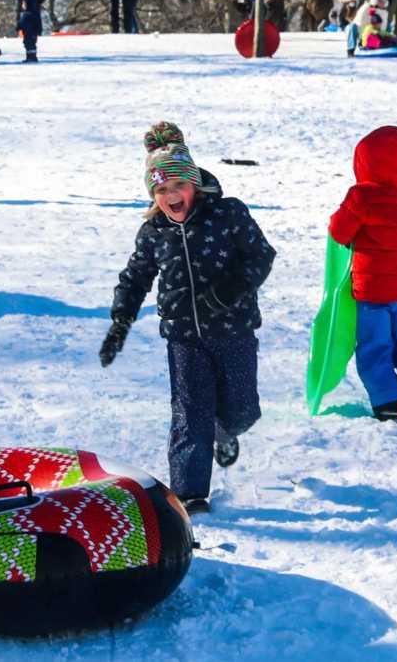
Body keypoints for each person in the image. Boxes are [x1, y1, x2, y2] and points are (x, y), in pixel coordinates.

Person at [99, 141, 276, 515]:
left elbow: (261, 254)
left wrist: (228, 291)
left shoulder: (228, 214)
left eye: (177, 185)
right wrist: (121, 320)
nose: (170, 195)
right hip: (184, 338)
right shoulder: (153, 231)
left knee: (243, 410)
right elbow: (135, 278)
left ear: (194, 185)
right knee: (190, 414)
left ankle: (224, 432)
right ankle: (190, 494)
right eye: (161, 189)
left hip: (234, 331)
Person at [327, 125, 397, 423]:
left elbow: (339, 233)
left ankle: (388, 401)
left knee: (375, 347)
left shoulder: (361, 196)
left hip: (373, 292)